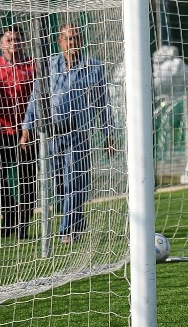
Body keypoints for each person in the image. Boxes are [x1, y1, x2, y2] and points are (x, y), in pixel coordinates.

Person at [20, 22, 116, 244]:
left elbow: (103, 104)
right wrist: (27, 128)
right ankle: (77, 224)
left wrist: (108, 134)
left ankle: (66, 231)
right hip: (52, 134)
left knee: (75, 181)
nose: (72, 42)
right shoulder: (49, 66)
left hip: (78, 134)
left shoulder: (93, 67)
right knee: (60, 186)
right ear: (59, 41)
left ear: (80, 40)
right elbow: (36, 97)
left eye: (75, 37)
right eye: (68, 38)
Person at [0, 25, 37, 239]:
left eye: (17, 40)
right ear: (1, 43)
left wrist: (28, 128)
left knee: (27, 179)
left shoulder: (32, 67)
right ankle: (9, 210)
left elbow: (38, 100)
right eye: (9, 40)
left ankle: (22, 226)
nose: (13, 44)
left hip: (27, 132)